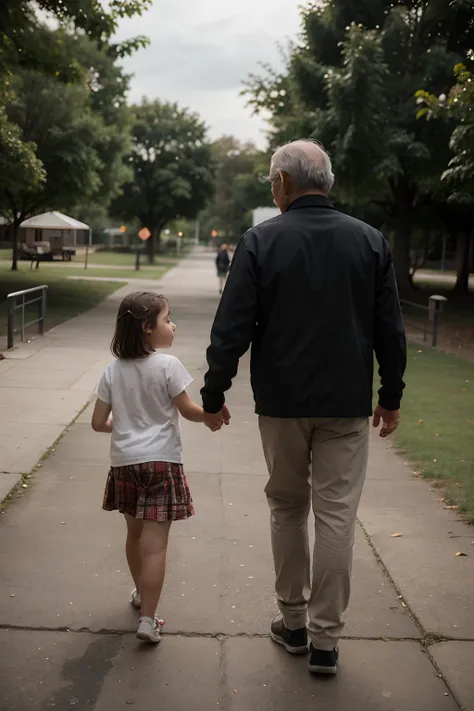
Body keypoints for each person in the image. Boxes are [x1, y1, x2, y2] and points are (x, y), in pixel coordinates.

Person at [201, 140, 406, 675]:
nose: (272, 188)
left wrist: (214, 393)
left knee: (287, 508)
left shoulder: (261, 241)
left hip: (283, 404)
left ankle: (292, 623)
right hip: (346, 404)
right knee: (336, 516)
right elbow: (391, 330)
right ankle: (325, 641)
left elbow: (232, 326)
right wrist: (391, 397)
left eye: (272, 180)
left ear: (286, 183)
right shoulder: (370, 242)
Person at [91, 291, 225, 644]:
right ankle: (148, 619)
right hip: (161, 464)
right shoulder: (168, 366)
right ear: (148, 328)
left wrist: (124, 428)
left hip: (124, 464)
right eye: (168, 319)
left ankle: (140, 593)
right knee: (156, 548)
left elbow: (98, 422)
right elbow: (187, 410)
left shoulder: (112, 371)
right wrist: (211, 417)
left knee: (134, 538)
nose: (173, 325)